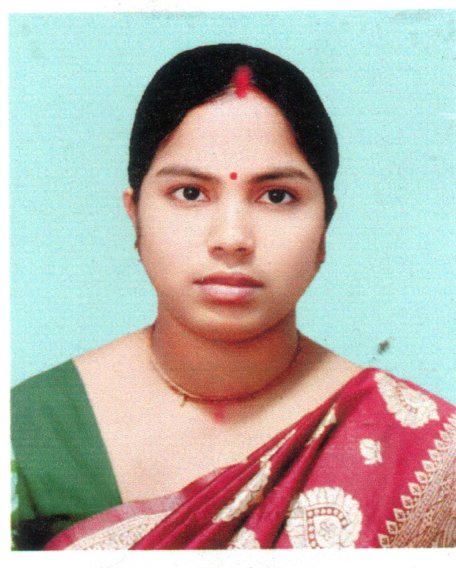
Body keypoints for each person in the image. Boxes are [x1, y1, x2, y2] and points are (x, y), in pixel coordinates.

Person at [11, 43, 455, 550]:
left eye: (277, 196)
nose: (232, 238)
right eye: (191, 193)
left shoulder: (427, 454)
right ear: (135, 215)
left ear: (325, 225)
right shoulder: (27, 430)